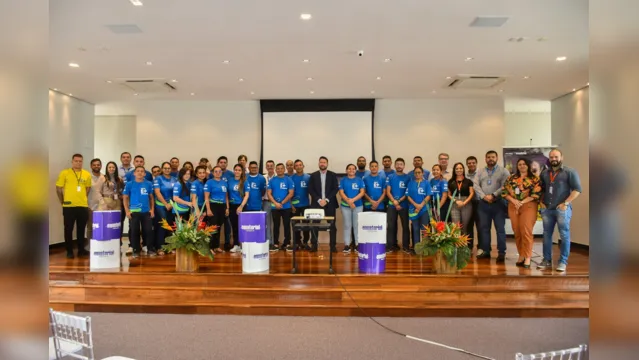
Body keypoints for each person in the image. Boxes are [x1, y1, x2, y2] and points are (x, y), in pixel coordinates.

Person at [538, 149, 582, 272]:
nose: (553, 159)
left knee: (564, 235)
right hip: (547, 209)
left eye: (556, 156)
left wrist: (566, 203)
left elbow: (577, 189)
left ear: (561, 157)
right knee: (546, 235)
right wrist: (541, 202)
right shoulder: (545, 173)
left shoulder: (570, 172)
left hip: (562, 209)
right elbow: (541, 189)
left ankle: (562, 262)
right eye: (551, 157)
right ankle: (546, 260)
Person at [502, 158, 542, 269]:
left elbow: (536, 194)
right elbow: (504, 192)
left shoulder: (534, 179)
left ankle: (528, 257)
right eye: (519, 164)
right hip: (513, 206)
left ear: (528, 165)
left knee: (526, 232)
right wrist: (514, 201)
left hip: (528, 206)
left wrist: (522, 202)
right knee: (517, 232)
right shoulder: (511, 178)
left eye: (524, 164)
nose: (522, 166)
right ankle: (521, 255)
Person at [473, 150, 510, 262]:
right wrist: (484, 196)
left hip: (498, 203)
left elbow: (505, 186)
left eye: (493, 157)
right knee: (484, 229)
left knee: (500, 229)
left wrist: (493, 195)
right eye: (488, 157)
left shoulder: (504, 171)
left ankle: (501, 252)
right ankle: (486, 251)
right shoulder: (480, 171)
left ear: (497, 158)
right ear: (485, 159)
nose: (490, 159)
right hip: (483, 204)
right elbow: (475, 185)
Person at [56, 154, 92, 259]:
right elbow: (58, 188)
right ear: (72, 162)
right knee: (68, 229)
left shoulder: (86, 174)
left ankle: (81, 250)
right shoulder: (65, 173)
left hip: (82, 206)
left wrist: (83, 198)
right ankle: (69, 251)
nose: (78, 163)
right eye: (76, 161)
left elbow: (88, 188)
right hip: (69, 206)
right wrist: (62, 201)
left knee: (81, 229)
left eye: (80, 161)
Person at [308, 156, 339, 253]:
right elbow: (310, 189)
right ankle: (314, 245)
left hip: (329, 203)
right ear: (318, 164)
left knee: (332, 225)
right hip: (316, 204)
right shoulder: (313, 175)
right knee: (314, 224)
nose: (322, 164)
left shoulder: (333, 175)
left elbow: (335, 189)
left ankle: (333, 246)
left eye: (324, 162)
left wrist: (326, 199)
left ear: (327, 164)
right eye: (321, 162)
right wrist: (318, 200)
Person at [122, 166, 154, 258]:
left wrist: (152, 210)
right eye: (138, 171)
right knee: (134, 231)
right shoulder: (129, 184)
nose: (140, 173)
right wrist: (127, 211)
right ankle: (136, 250)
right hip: (134, 212)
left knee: (148, 230)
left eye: (142, 171)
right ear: (134, 173)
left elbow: (151, 198)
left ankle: (150, 249)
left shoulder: (148, 184)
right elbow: (125, 198)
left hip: (146, 211)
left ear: (144, 174)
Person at [267, 163, 295, 251]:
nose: (279, 170)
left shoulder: (289, 180)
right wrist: (275, 203)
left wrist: (281, 203)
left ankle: (287, 243)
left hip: (286, 207)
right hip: (275, 207)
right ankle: (275, 243)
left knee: (287, 225)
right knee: (276, 225)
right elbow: (269, 193)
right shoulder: (272, 180)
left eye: (281, 168)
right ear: (276, 170)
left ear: (284, 170)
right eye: (277, 169)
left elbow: (291, 193)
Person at [339, 164, 366, 253]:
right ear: (346, 170)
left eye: (353, 169)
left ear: (355, 170)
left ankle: (357, 245)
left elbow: (362, 192)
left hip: (357, 206)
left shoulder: (359, 180)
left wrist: (353, 201)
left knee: (356, 225)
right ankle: (347, 245)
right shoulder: (343, 180)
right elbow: (341, 192)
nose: (351, 170)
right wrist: (348, 201)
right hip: (345, 206)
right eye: (349, 169)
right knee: (347, 225)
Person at [152, 162, 177, 256]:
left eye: (168, 168)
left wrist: (172, 204)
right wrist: (166, 204)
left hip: (172, 206)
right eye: (165, 168)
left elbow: (176, 193)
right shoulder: (158, 179)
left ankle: (169, 247)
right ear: (162, 169)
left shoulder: (174, 179)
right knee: (162, 226)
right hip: (160, 205)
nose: (167, 170)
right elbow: (157, 193)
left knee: (170, 226)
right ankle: (159, 247)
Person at [386, 158, 410, 253]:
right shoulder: (390, 177)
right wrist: (394, 201)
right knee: (391, 226)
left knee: (405, 226)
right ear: (395, 165)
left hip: (404, 205)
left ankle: (405, 246)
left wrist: (399, 201)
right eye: (397, 164)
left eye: (401, 164)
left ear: (404, 166)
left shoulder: (408, 178)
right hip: (392, 205)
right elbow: (388, 191)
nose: (399, 166)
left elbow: (408, 192)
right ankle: (390, 246)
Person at [406, 166, 432, 254]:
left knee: (424, 229)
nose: (417, 174)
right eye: (416, 173)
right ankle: (416, 249)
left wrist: (421, 205)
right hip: (413, 209)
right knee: (415, 229)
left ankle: (425, 248)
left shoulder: (427, 183)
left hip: (424, 209)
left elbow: (428, 195)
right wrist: (416, 205)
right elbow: (408, 196)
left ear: (422, 173)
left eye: (419, 172)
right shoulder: (410, 183)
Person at [204, 166, 229, 253]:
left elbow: (226, 197)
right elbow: (206, 197)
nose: (218, 173)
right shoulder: (209, 182)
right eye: (216, 171)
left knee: (218, 227)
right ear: (213, 173)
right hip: (213, 206)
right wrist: (208, 209)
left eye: (219, 171)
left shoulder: (224, 182)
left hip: (222, 206)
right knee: (212, 227)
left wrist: (227, 208)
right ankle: (210, 247)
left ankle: (216, 246)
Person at [448, 163, 475, 242]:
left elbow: (472, 193)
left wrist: (464, 202)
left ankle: (464, 247)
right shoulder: (451, 181)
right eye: (457, 168)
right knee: (455, 227)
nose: (459, 170)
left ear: (463, 169)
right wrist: (455, 201)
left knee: (464, 226)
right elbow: (448, 195)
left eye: (460, 168)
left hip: (466, 204)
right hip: (454, 204)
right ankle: (456, 248)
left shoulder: (468, 181)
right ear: (454, 170)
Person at [228, 164, 250, 253]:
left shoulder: (245, 181)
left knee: (242, 227)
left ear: (242, 172)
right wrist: (228, 207)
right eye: (236, 170)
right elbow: (227, 194)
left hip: (241, 206)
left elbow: (247, 195)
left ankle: (243, 246)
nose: (237, 172)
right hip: (232, 206)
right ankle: (236, 245)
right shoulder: (230, 181)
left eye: (239, 170)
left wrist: (240, 206)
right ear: (234, 171)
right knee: (234, 226)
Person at [291, 160, 311, 250]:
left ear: (303, 166)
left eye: (300, 165)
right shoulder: (291, 178)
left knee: (306, 225)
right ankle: (297, 242)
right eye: (297, 165)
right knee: (296, 225)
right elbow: (289, 193)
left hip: (306, 205)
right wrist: (291, 205)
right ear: (294, 168)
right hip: (294, 206)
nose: (298, 167)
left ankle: (305, 242)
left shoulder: (308, 177)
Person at [215, 156, 234, 251]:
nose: (223, 164)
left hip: (228, 202)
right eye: (221, 162)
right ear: (218, 163)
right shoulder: (212, 174)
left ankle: (227, 243)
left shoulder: (231, 174)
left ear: (227, 163)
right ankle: (215, 245)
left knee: (228, 224)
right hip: (216, 204)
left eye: (224, 162)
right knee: (216, 225)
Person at [87, 158, 105, 244]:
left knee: (101, 226)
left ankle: (99, 245)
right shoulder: (87, 177)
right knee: (90, 227)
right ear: (91, 166)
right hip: (90, 205)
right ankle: (89, 246)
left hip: (102, 205)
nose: (96, 166)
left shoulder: (104, 177)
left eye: (98, 165)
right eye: (94, 165)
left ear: (101, 166)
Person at [465, 156, 480, 250]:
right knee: (469, 225)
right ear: (467, 164)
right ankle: (469, 247)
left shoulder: (481, 173)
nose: (471, 164)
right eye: (469, 163)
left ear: (476, 163)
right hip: (469, 202)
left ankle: (481, 247)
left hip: (479, 202)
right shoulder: (465, 175)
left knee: (480, 225)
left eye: (473, 162)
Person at [262, 160, 277, 251]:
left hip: (276, 203)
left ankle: (275, 242)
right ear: (266, 167)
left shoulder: (278, 177)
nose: (270, 167)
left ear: (274, 166)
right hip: (266, 202)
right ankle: (269, 242)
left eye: (271, 166)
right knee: (266, 223)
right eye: (268, 166)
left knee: (276, 223)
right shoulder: (263, 178)